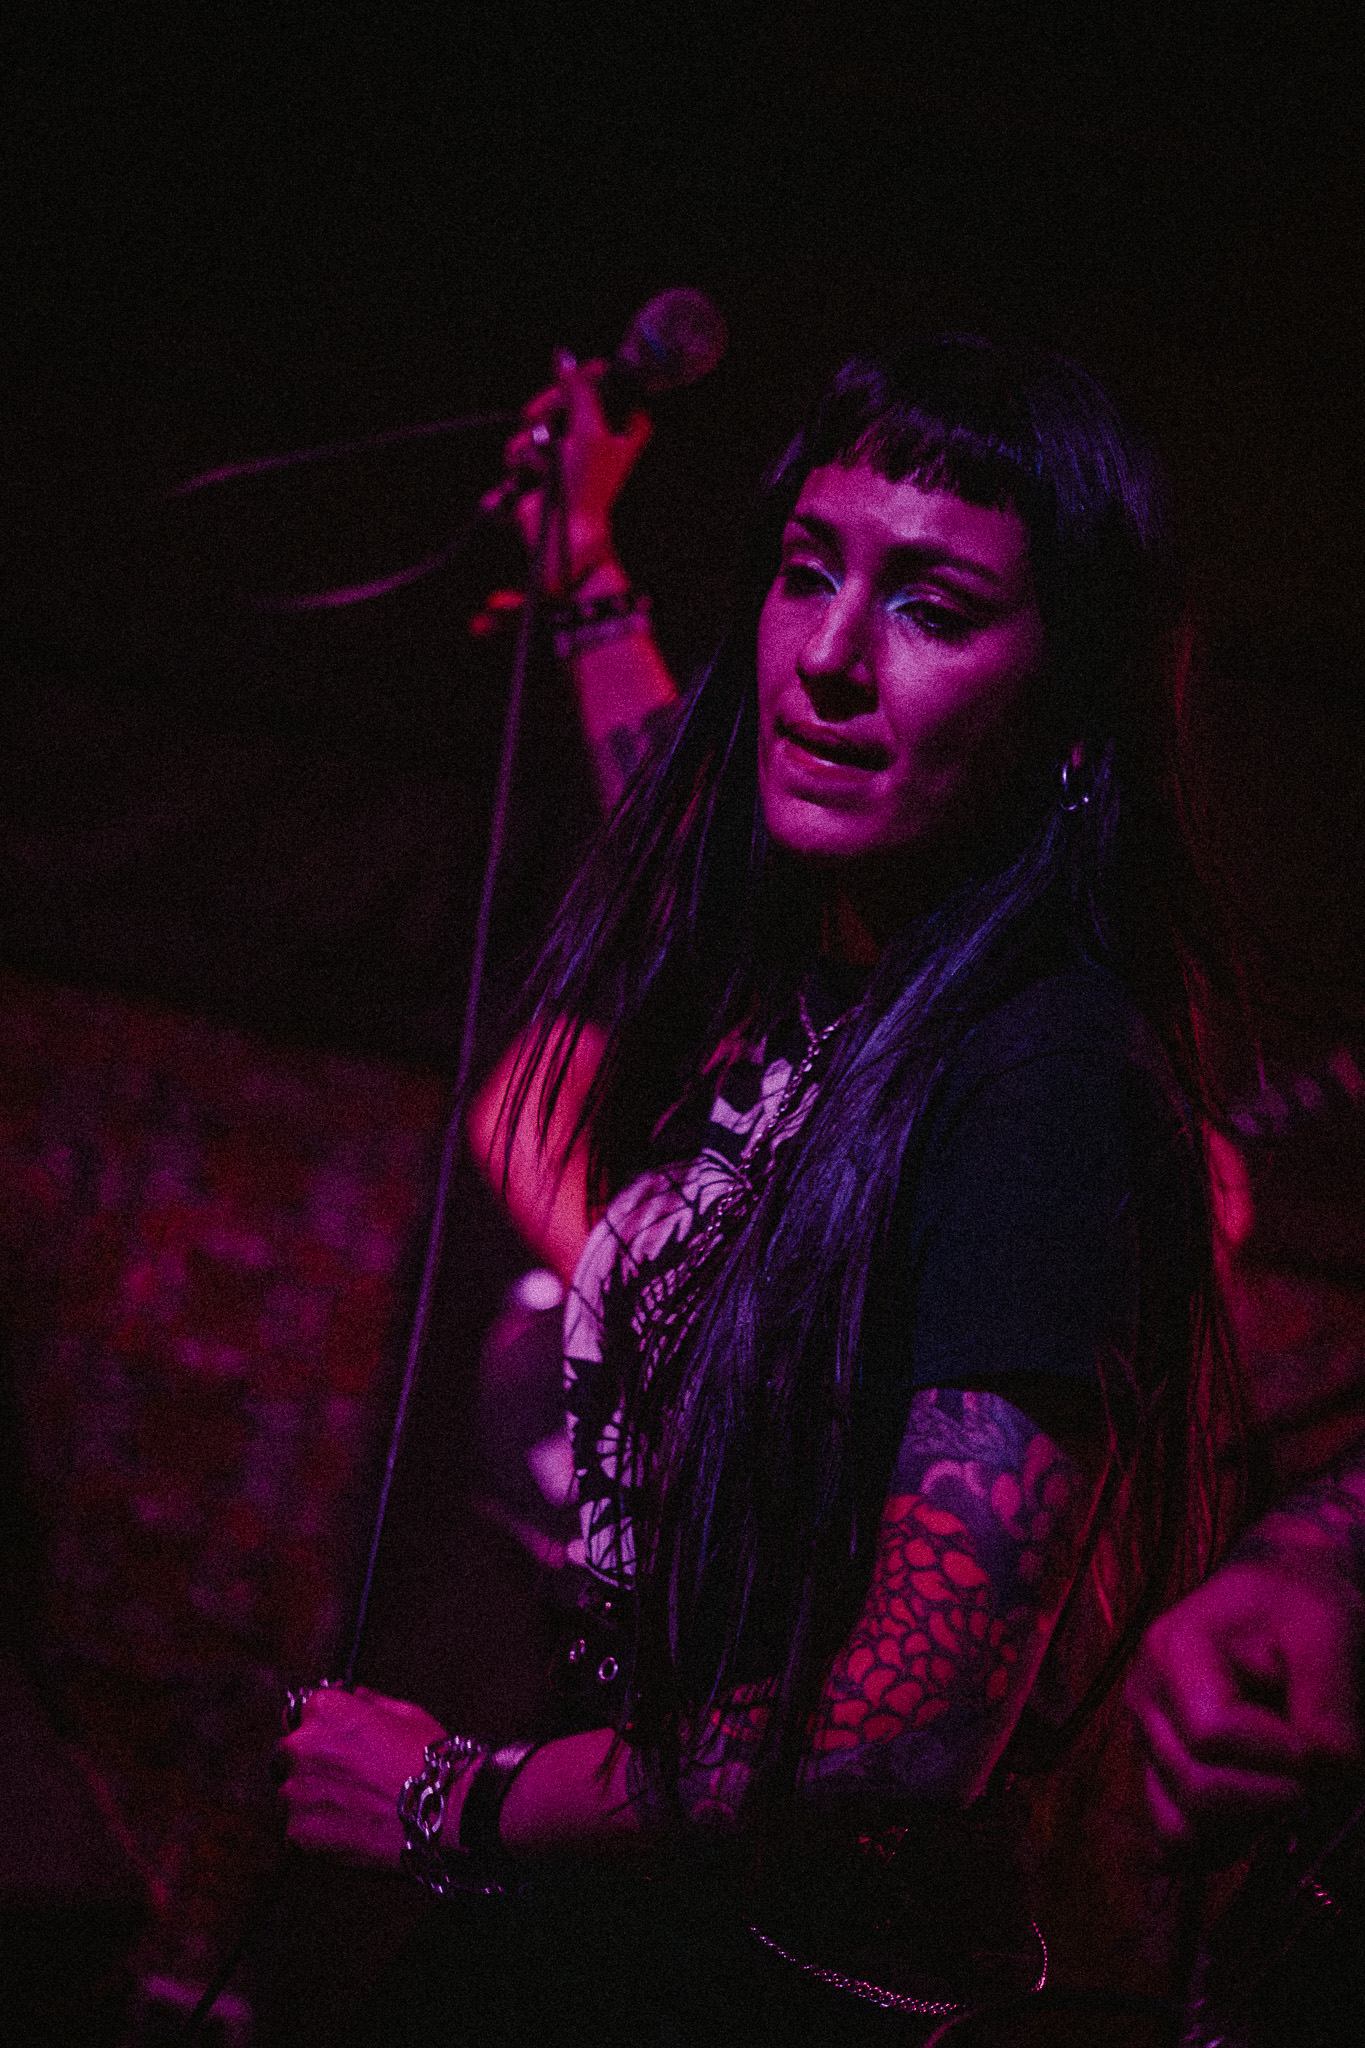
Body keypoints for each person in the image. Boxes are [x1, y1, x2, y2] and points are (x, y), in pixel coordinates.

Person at [275, 335, 1239, 2045]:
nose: (829, 659)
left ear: (1071, 708)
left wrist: (453, 1799)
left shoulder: (1050, 1083)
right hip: (629, 1929)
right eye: (806, 573)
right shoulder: (841, 962)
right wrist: (585, 569)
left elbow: (911, 1715)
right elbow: (681, 779)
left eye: (932, 608)